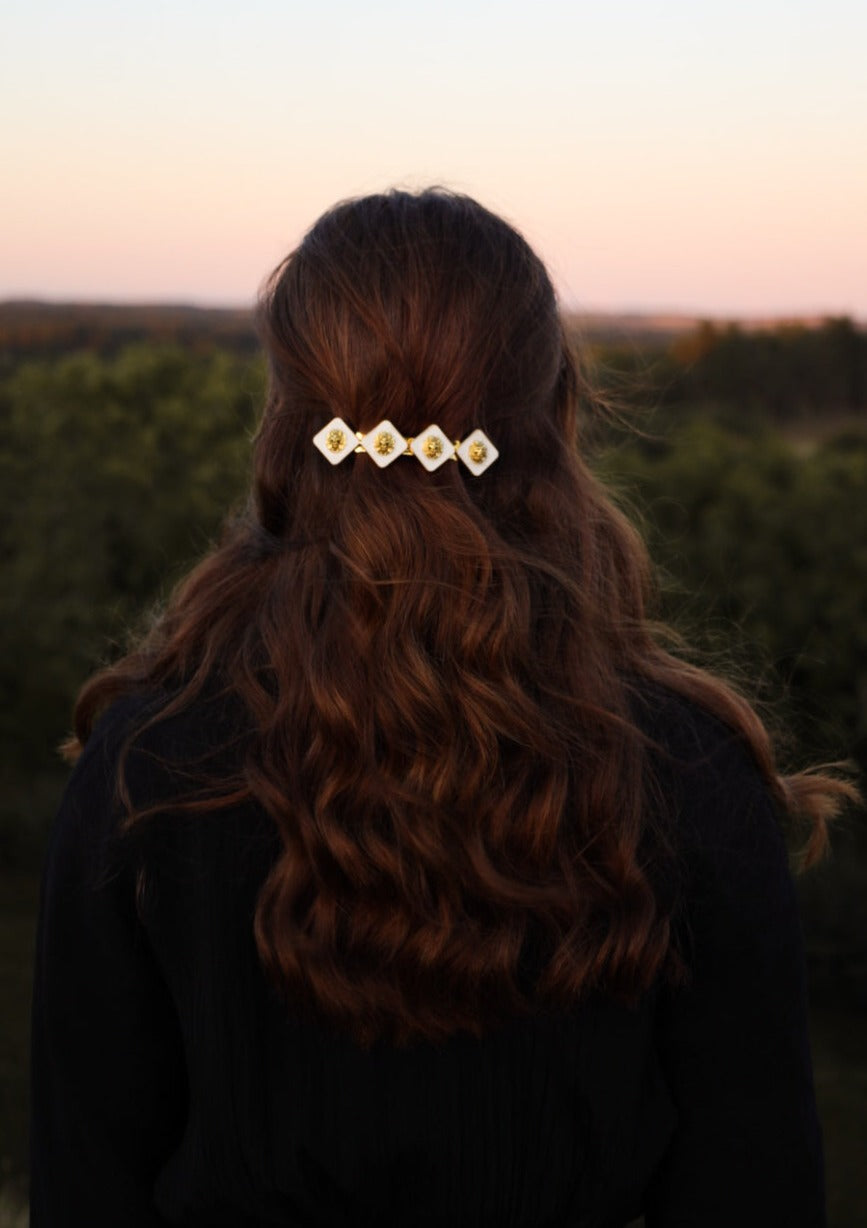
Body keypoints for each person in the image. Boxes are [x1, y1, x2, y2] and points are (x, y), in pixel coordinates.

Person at [30, 188, 855, 1227]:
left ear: (289, 417)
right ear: (551, 417)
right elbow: (757, 1185)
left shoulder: (150, 760)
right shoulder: (688, 770)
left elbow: (83, 1175)